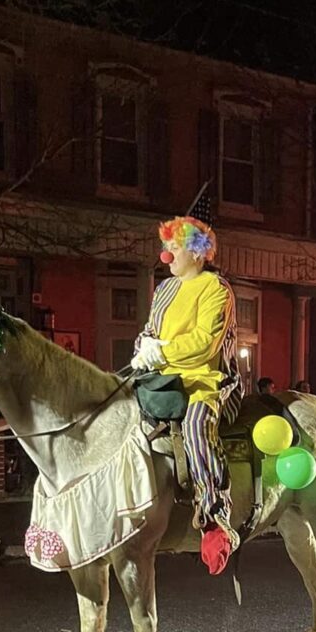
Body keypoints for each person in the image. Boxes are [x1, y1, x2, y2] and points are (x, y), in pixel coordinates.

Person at [133, 186, 241, 575]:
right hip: (161, 379)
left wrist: (162, 351)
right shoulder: (164, 289)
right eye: (166, 246)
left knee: (196, 425)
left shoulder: (216, 290)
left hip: (204, 381)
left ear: (197, 251)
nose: (166, 255)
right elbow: (150, 329)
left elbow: (203, 344)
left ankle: (215, 520)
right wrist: (144, 347)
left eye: (174, 247)